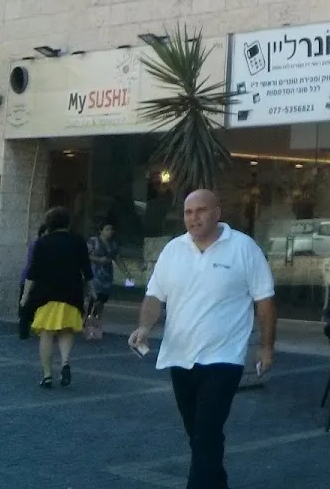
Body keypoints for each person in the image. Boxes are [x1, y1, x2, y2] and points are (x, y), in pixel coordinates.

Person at [129, 189, 276, 489]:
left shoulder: (243, 248)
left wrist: (266, 347)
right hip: (179, 356)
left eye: (201, 211)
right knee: (198, 433)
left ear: (217, 213)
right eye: (188, 212)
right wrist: (144, 327)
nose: (194, 218)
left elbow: (265, 301)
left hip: (224, 357)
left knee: (205, 432)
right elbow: (155, 295)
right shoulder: (173, 250)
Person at [20, 207, 93, 388]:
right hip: (71, 294)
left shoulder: (42, 243)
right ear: (68, 222)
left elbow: (32, 272)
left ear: (49, 223)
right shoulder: (78, 241)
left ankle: (47, 375)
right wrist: (92, 291)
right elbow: (87, 270)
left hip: (46, 295)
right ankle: (65, 362)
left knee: (46, 334)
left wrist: (25, 296)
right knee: (66, 331)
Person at [86, 220, 127, 322]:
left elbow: (118, 258)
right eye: (107, 229)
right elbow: (86, 255)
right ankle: (88, 317)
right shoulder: (93, 241)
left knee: (103, 298)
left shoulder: (113, 244)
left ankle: (97, 318)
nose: (110, 232)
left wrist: (126, 272)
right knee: (95, 296)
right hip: (95, 272)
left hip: (107, 274)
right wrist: (98, 259)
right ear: (101, 231)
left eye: (111, 229)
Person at [18, 224, 47, 340]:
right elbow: (32, 263)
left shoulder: (43, 244)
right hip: (31, 278)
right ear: (42, 233)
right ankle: (24, 332)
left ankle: (35, 330)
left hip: (38, 279)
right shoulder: (37, 245)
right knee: (26, 306)